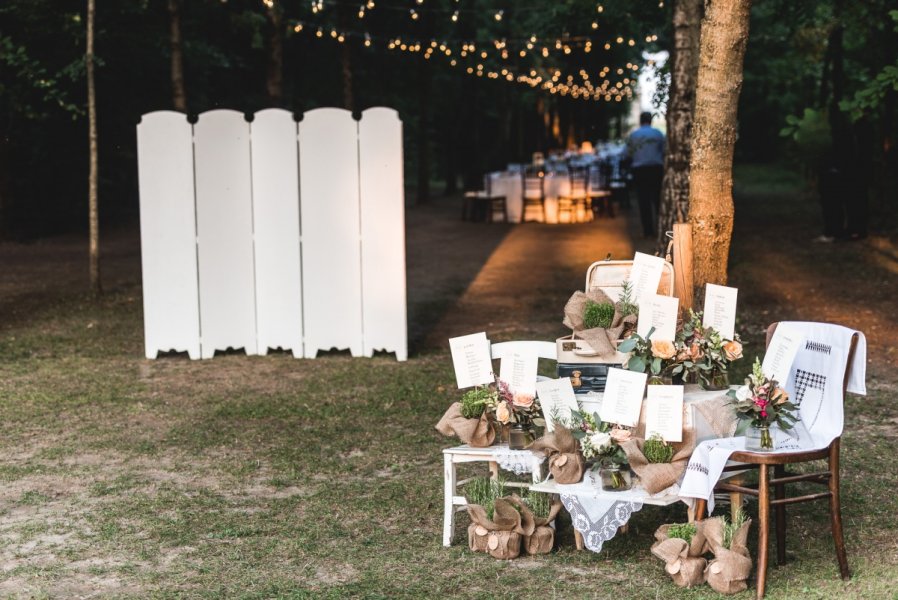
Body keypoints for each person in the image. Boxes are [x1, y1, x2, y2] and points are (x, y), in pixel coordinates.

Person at [627, 112, 665, 237]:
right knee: (657, 199)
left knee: (643, 201)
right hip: (656, 169)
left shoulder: (634, 135)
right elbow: (664, 151)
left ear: (640, 120)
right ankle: (661, 229)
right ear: (651, 120)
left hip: (640, 171)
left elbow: (628, 153)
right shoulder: (658, 134)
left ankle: (648, 231)